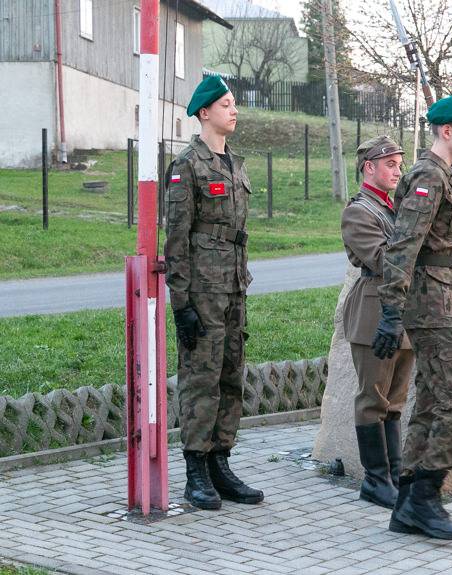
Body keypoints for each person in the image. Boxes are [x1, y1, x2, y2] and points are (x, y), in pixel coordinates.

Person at [372, 94, 452, 540]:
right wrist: (390, 310)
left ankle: (406, 503)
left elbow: (449, 244)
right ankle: (426, 496)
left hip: (447, 298)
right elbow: (403, 245)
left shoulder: (445, 176)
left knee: (434, 402)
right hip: (430, 304)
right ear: (445, 131)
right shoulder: (426, 176)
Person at [164, 75, 264, 509]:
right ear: (205, 113)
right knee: (200, 379)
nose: (234, 110)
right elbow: (177, 239)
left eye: (234, 103)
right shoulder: (187, 166)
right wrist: (180, 303)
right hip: (202, 292)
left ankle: (221, 463)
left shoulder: (235, 165)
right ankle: (195, 471)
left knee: (230, 376)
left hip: (234, 289)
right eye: (225, 104)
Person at [341, 135, 415, 509]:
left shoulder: (393, 209)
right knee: (374, 398)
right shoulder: (361, 212)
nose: (397, 171)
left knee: (395, 400)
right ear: (369, 167)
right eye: (390, 164)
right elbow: (385, 261)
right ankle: (375, 480)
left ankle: (393, 474)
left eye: (399, 164)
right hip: (374, 310)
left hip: (402, 311)